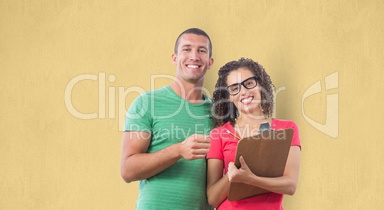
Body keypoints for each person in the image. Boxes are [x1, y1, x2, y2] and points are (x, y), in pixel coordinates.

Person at [120, 28, 214, 210]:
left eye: (201, 50)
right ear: (174, 58)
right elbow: (127, 170)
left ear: (210, 62)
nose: (194, 56)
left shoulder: (218, 113)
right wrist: (178, 150)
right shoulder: (147, 103)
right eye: (186, 49)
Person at [206, 58, 301, 209]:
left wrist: (251, 179)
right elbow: (213, 198)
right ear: (229, 96)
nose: (244, 91)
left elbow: (290, 186)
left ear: (261, 85)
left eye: (249, 83)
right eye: (234, 88)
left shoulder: (286, 129)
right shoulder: (218, 135)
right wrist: (232, 174)